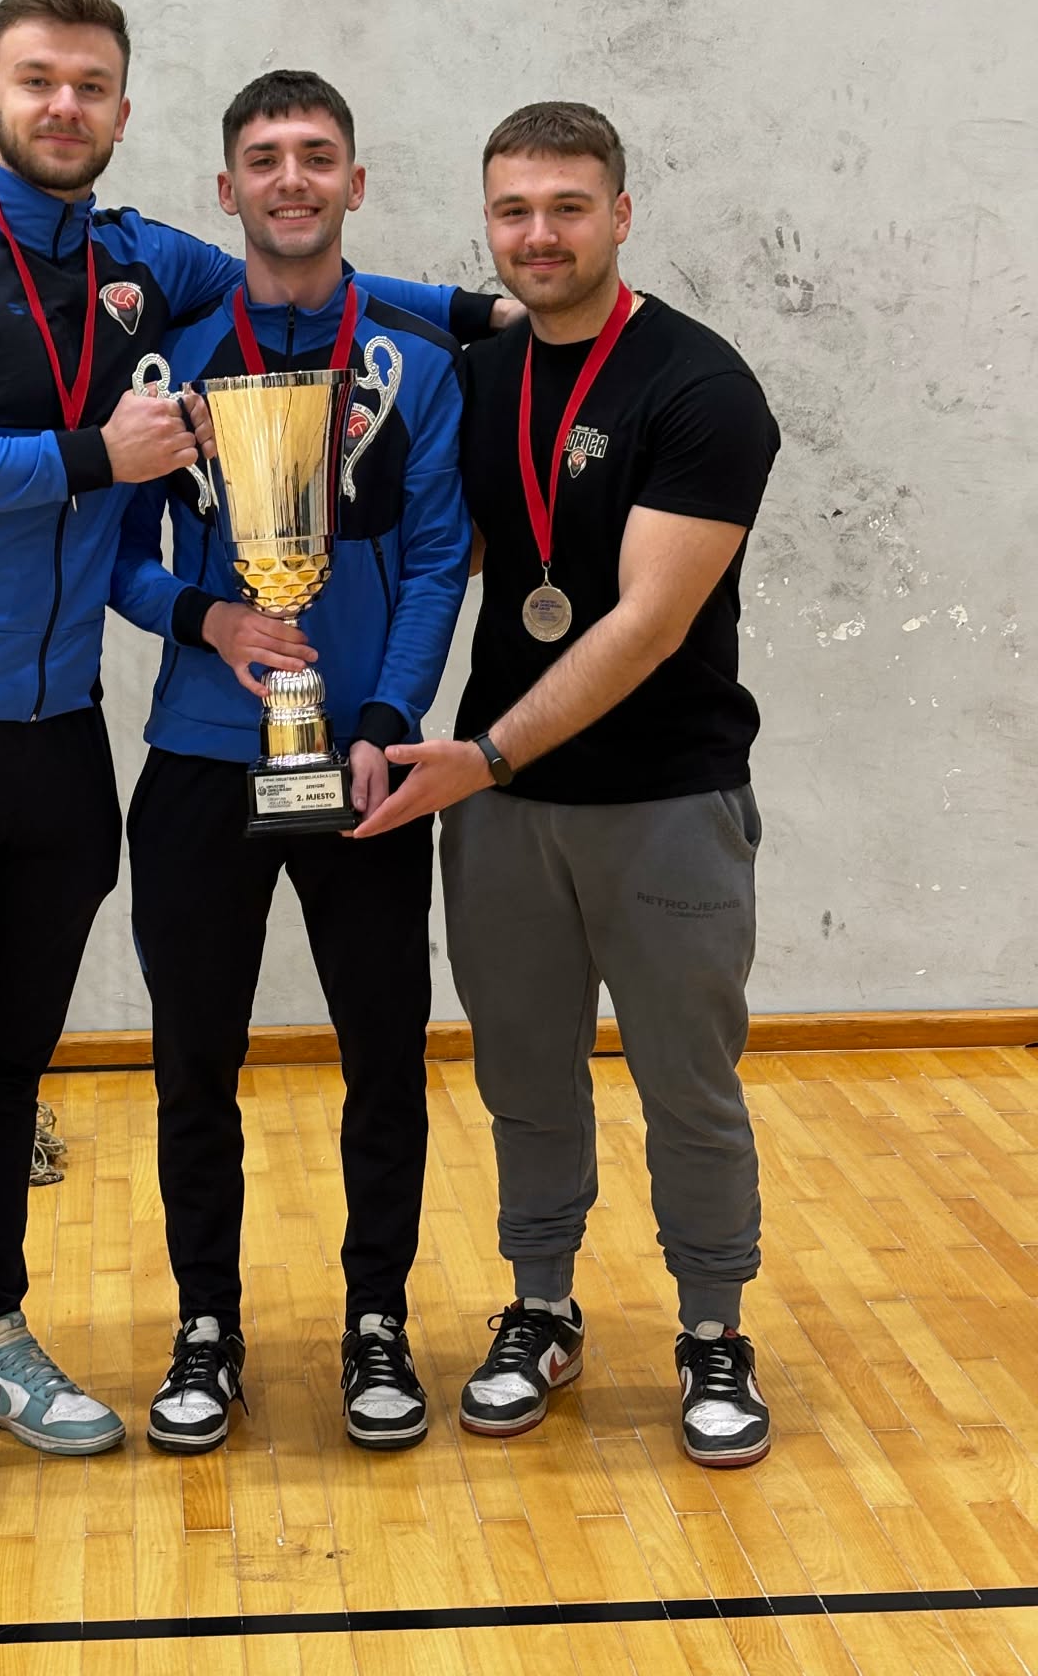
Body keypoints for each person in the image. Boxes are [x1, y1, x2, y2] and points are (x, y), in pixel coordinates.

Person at [0, 0, 509, 1531]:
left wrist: (476, 315)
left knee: (9, 1069)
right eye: (37, 80)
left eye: (90, 84)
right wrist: (122, 493)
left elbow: (307, 266)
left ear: (123, 112)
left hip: (60, 738)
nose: (63, 105)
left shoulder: (144, 262)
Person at [355, 101, 781, 1469]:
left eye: (567, 208)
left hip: (664, 803)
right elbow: (451, 552)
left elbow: (647, 623)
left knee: (687, 1087)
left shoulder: (701, 385)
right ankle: (540, 1309)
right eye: (514, 211)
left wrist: (482, 754)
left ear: (621, 215)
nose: (540, 235)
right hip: (503, 818)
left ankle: (713, 1333)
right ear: (489, 225)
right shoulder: (476, 377)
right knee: (525, 1079)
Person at [112, 70, 473, 1456]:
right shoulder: (172, 364)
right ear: (228, 191)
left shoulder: (415, 362)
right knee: (193, 1061)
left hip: (366, 764)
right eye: (264, 159)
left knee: (385, 1054)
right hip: (202, 760)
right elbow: (115, 556)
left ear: (355, 183)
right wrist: (204, 616)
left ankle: (376, 1318)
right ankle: (207, 1328)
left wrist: (387, 714)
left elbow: (437, 558)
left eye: (317, 156)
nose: (292, 179)